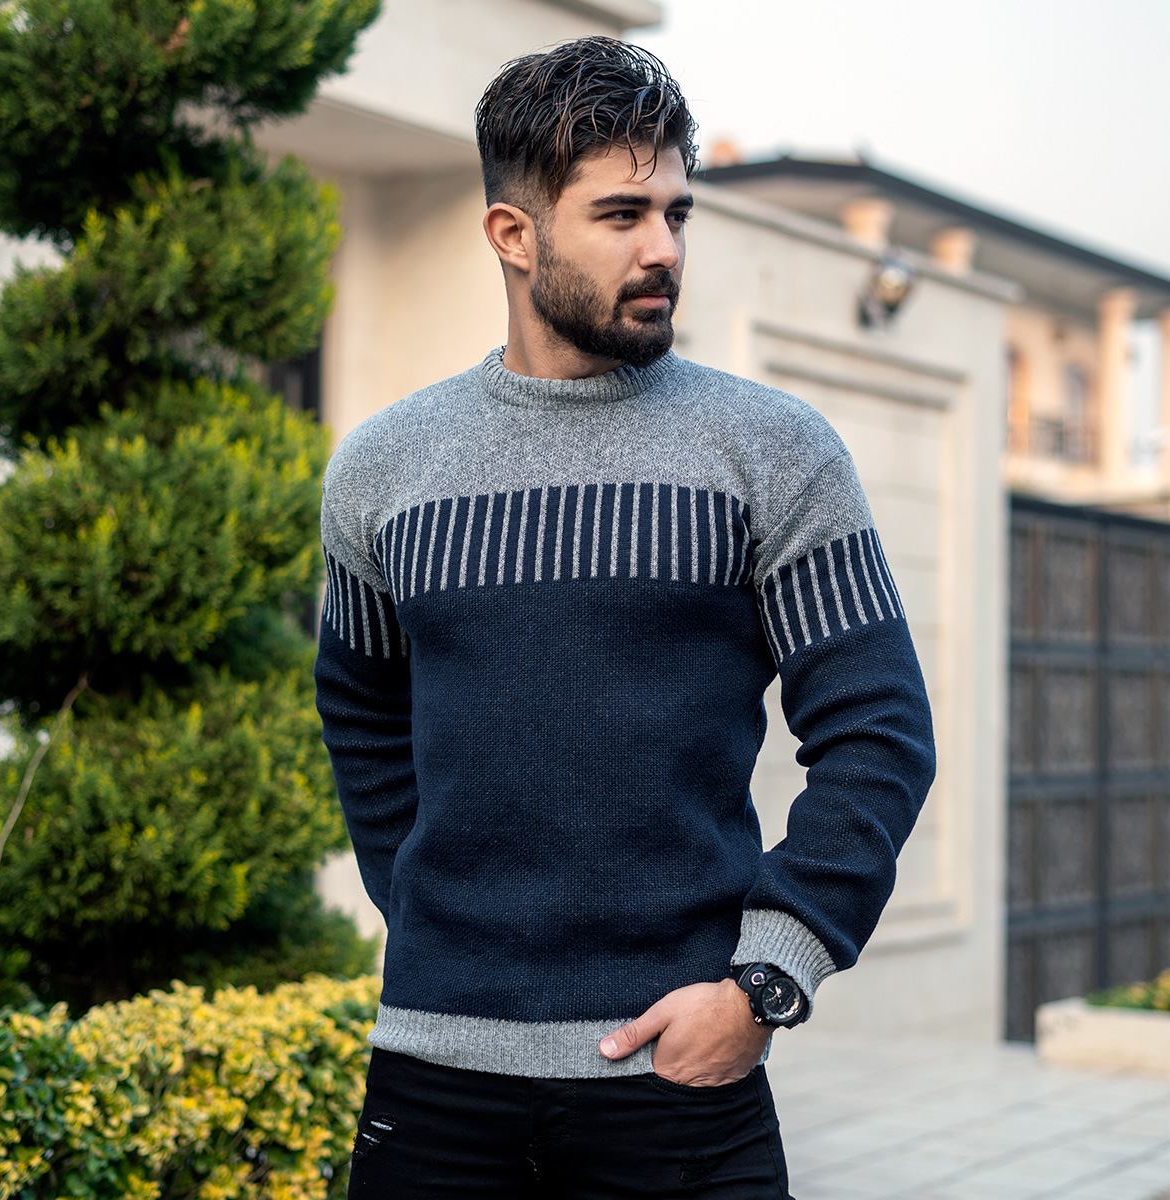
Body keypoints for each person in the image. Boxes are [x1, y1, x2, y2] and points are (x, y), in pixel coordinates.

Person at [314, 36, 935, 1200]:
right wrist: (436, 917)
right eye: (621, 215)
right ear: (513, 234)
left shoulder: (774, 452)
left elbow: (880, 735)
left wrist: (765, 984)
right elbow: (361, 714)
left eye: (676, 213)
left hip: (678, 1081)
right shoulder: (383, 469)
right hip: (435, 1081)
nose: (665, 249)